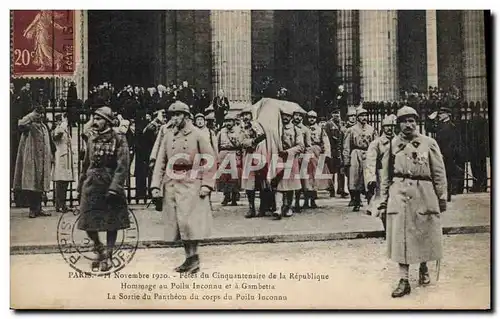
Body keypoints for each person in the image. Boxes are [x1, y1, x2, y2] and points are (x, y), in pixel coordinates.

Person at [378, 106, 447, 298]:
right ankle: (404, 279)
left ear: (417, 123)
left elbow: (439, 173)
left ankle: (424, 267)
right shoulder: (392, 146)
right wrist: (383, 201)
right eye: (404, 121)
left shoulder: (429, 143)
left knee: (423, 233)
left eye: (412, 121)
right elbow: (385, 176)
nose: (409, 125)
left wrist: (441, 197)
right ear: (398, 124)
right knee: (401, 237)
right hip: (399, 193)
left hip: (424, 193)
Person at [150, 101, 216, 274]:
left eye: (178, 115)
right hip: (172, 183)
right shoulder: (168, 135)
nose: (174, 118)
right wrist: (155, 185)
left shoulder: (198, 134)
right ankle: (189, 258)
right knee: (179, 225)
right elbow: (160, 161)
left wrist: (207, 185)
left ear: (186, 116)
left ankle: (194, 258)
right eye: (172, 115)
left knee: (190, 224)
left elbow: (209, 160)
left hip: (192, 183)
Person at [77, 106, 130, 271]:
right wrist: (81, 184)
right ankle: (100, 250)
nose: (95, 122)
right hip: (92, 185)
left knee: (110, 223)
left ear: (107, 121)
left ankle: (108, 255)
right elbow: (86, 163)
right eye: (94, 118)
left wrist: (115, 187)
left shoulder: (118, 139)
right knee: (87, 223)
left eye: (99, 119)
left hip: (109, 184)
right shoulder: (92, 139)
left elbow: (123, 165)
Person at [13, 104, 52, 218]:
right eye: (39, 114)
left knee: (40, 183)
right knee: (32, 183)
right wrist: (32, 115)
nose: (41, 116)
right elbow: (21, 122)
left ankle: (39, 208)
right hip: (32, 158)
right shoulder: (29, 126)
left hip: (42, 160)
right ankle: (32, 209)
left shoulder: (44, 127)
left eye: (42, 114)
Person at [364, 114, 397, 233]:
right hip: (382, 176)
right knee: (383, 202)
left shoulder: (398, 142)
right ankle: (387, 229)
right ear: (383, 127)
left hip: (397, 175)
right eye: (387, 126)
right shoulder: (376, 143)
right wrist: (371, 178)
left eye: (392, 126)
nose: (390, 129)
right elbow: (371, 161)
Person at [272, 108, 304, 220]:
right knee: (278, 184)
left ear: (291, 117)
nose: (285, 118)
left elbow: (301, 146)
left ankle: (289, 207)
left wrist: (288, 152)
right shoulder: (277, 129)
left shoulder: (296, 130)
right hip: (279, 159)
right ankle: (278, 208)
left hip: (291, 159)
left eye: (288, 116)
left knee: (290, 186)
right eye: (283, 116)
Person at [343, 107, 377, 211]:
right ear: (358, 118)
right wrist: (346, 161)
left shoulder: (372, 129)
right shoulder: (351, 130)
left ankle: (370, 203)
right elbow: (346, 146)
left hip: (368, 154)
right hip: (355, 154)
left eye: (365, 115)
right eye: (361, 116)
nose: (364, 118)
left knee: (369, 178)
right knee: (356, 178)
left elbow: (376, 144)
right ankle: (357, 201)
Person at [239, 106, 267, 218]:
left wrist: (257, 135)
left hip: (260, 154)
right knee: (249, 184)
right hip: (249, 155)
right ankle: (251, 208)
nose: (246, 117)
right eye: (244, 115)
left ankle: (262, 208)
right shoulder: (242, 128)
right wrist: (252, 141)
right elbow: (241, 141)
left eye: (248, 114)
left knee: (262, 182)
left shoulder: (258, 125)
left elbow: (264, 136)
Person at [304, 110, 331, 208]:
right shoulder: (304, 128)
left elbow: (325, 142)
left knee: (315, 176)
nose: (312, 119)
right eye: (310, 117)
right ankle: (306, 200)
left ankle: (313, 200)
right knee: (306, 176)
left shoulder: (320, 129)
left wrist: (326, 154)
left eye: (313, 117)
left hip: (316, 152)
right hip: (306, 152)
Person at [434, 106, 460, 202]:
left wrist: (445, 154)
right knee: (440, 174)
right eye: (439, 114)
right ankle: (442, 194)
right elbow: (429, 128)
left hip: (447, 155)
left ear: (447, 114)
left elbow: (452, 143)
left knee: (448, 175)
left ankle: (448, 195)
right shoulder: (440, 125)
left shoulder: (451, 126)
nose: (439, 115)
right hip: (440, 153)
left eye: (441, 114)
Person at [217, 113, 243, 206]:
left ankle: (234, 197)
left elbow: (241, 144)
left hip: (234, 153)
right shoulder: (221, 132)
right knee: (225, 177)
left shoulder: (238, 131)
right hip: (223, 154)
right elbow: (218, 144)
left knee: (234, 177)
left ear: (233, 122)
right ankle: (226, 195)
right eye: (226, 121)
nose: (228, 123)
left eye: (230, 121)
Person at [52, 113, 74, 213]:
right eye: (61, 120)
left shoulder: (64, 129)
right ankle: (59, 205)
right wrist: (62, 126)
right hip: (61, 157)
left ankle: (63, 204)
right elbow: (57, 137)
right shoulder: (58, 129)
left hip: (67, 157)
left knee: (65, 182)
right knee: (60, 182)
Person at [324, 108, 348, 198]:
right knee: (331, 171)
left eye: (338, 114)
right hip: (332, 150)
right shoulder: (328, 125)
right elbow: (326, 138)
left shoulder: (342, 124)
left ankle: (341, 189)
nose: (337, 116)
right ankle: (331, 189)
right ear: (332, 115)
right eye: (335, 114)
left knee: (341, 170)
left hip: (340, 150)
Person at [292, 109, 312, 212]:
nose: (298, 117)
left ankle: (305, 201)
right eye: (296, 115)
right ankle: (294, 202)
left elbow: (308, 146)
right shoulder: (289, 128)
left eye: (300, 116)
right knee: (292, 180)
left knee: (303, 180)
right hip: (292, 157)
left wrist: (306, 157)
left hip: (302, 157)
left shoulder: (305, 130)